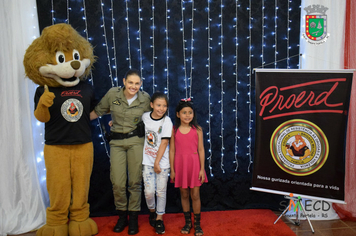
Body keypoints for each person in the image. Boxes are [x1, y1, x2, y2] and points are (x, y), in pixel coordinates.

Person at [90, 69, 151, 235]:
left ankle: (133, 218)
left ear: (141, 84)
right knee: (117, 182)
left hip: (136, 142)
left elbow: (153, 117)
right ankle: (122, 216)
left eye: (137, 83)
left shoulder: (145, 98)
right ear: (124, 81)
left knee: (135, 182)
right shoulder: (112, 94)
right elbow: (99, 111)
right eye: (130, 82)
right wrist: (77, 121)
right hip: (116, 142)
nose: (133, 86)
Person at [169, 98, 208, 236]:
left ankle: (197, 224)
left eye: (190, 112)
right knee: (184, 194)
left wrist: (202, 169)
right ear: (178, 114)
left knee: (195, 194)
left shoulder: (197, 129)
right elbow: (172, 150)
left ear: (193, 114)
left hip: (194, 164)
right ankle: (187, 223)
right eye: (184, 112)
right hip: (180, 166)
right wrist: (172, 170)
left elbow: (201, 150)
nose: (187, 115)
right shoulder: (174, 130)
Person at [142, 92, 173, 234]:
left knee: (161, 191)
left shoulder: (167, 121)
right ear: (152, 105)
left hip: (162, 163)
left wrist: (157, 162)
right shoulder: (145, 117)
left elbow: (164, 142)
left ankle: (160, 218)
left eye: (164, 106)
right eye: (158, 105)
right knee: (149, 192)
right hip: (147, 161)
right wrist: (113, 122)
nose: (161, 109)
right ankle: (152, 212)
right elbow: (133, 124)